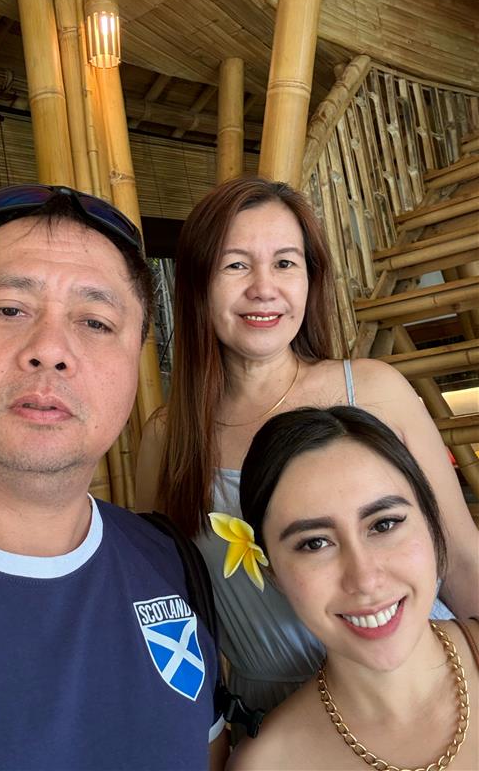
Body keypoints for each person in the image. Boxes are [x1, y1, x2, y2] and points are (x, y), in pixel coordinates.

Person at [0, 184, 226, 770]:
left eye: (95, 321)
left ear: (134, 366)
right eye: (10, 309)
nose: (50, 350)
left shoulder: (170, 562)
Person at [135, 176, 479, 714]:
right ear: (198, 283)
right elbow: (171, 612)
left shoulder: (374, 391)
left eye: (286, 263)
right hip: (275, 714)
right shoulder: (169, 439)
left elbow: (459, 556)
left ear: (310, 280)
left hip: (425, 687)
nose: (264, 288)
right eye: (236, 264)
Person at [224, 406, 478, 770]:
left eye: (384, 524)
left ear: (432, 525)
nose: (364, 579)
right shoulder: (267, 763)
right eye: (315, 543)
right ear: (273, 572)